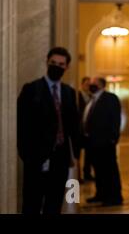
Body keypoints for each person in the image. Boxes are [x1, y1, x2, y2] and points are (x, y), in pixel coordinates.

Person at [17, 47, 79, 214]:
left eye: (61, 64)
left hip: (61, 158)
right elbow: (22, 125)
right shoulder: (31, 89)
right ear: (47, 62)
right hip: (36, 158)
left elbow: (73, 126)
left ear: (67, 67)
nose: (56, 66)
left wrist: (75, 154)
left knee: (55, 202)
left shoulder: (69, 93)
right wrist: (26, 155)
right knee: (32, 203)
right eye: (53, 63)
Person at [83, 77, 123, 206]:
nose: (91, 85)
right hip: (92, 142)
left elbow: (115, 119)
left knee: (109, 170)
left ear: (101, 84)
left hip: (105, 142)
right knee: (98, 170)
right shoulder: (92, 99)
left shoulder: (110, 98)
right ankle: (100, 194)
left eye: (93, 83)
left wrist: (113, 138)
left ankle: (114, 197)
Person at [78, 76, 94, 181]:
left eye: (89, 85)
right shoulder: (77, 96)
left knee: (89, 154)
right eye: (86, 84)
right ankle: (78, 176)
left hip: (89, 131)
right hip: (79, 130)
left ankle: (87, 174)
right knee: (78, 154)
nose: (88, 86)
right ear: (82, 84)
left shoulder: (92, 96)